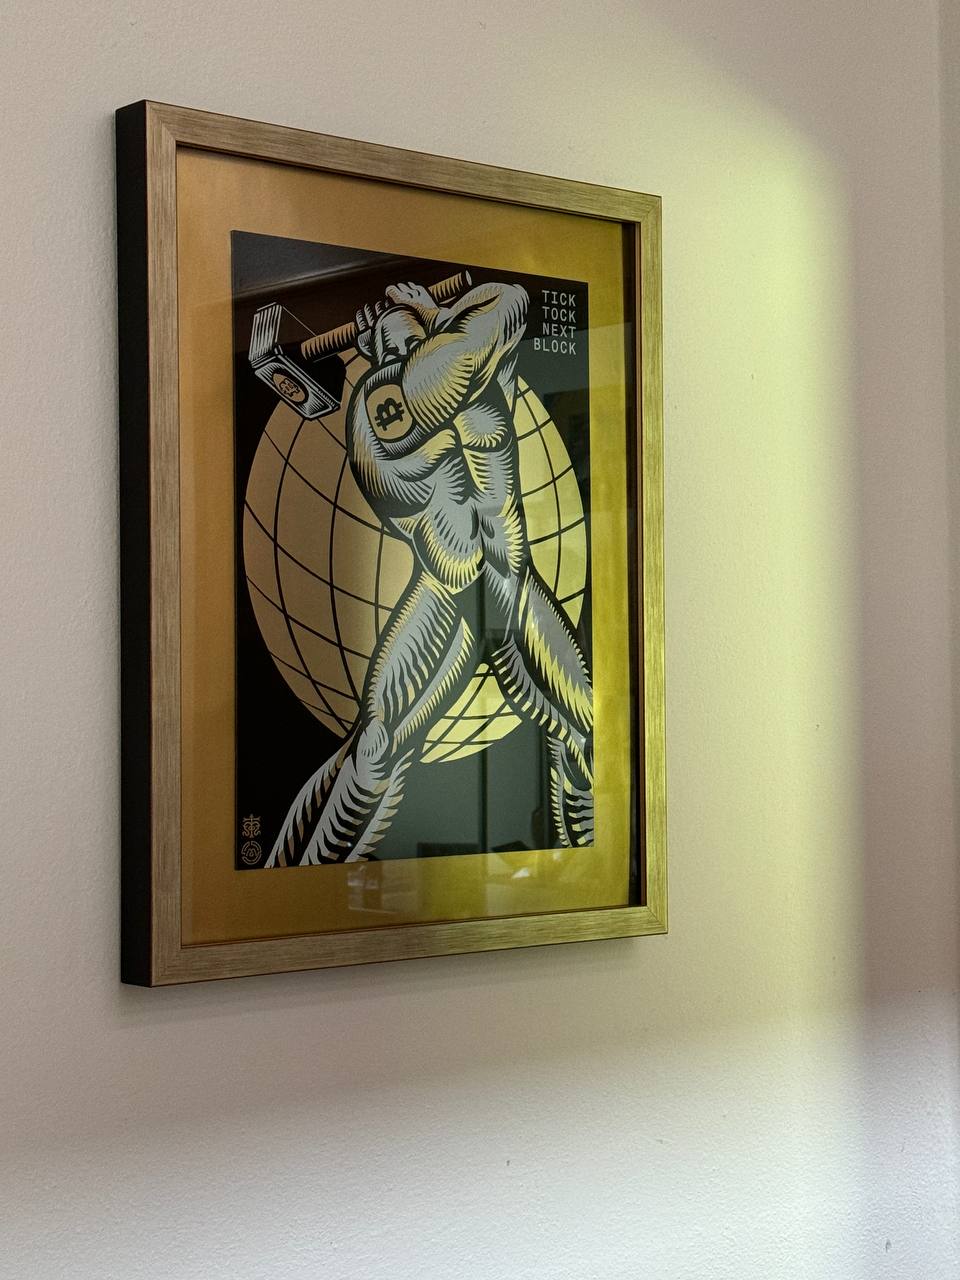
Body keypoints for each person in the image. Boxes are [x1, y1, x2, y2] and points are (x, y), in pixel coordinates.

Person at [267, 279, 594, 866]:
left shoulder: (472, 365)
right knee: (374, 752)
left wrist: (425, 313)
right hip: (448, 597)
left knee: (585, 736)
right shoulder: (380, 410)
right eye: (398, 331)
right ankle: (290, 881)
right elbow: (451, 365)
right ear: (379, 348)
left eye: (416, 324)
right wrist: (422, 317)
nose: (412, 328)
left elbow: (511, 300)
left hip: (511, 583)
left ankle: (590, 867)